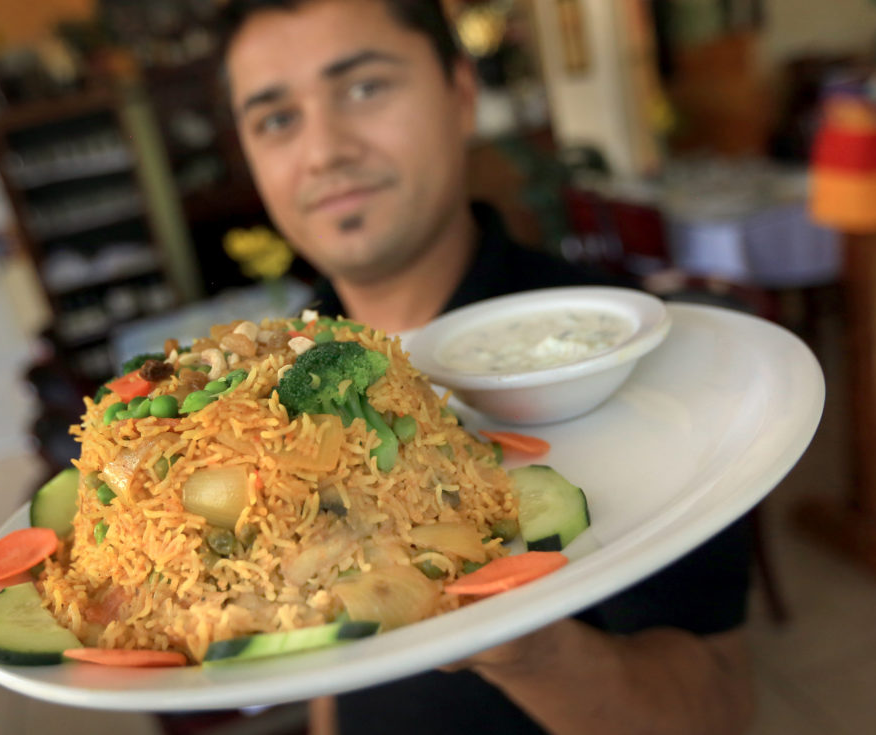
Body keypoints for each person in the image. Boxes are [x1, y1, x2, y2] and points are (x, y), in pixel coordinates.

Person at [217, 1, 755, 733]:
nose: (323, 151)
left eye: (366, 87)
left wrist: (520, 641)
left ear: (461, 97)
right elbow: (330, 673)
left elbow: (719, 707)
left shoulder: (620, 352)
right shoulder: (271, 383)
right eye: (277, 119)